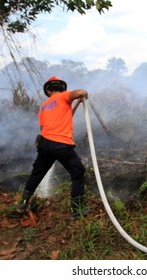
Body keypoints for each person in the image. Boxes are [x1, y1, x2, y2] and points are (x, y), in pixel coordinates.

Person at [16, 76, 89, 220]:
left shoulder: (44, 107)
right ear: (62, 88)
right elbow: (80, 92)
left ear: (48, 91)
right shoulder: (64, 96)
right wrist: (82, 95)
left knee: (36, 174)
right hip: (61, 144)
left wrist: (76, 105)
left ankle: (22, 204)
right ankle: (76, 210)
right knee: (78, 172)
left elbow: (49, 124)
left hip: (45, 143)